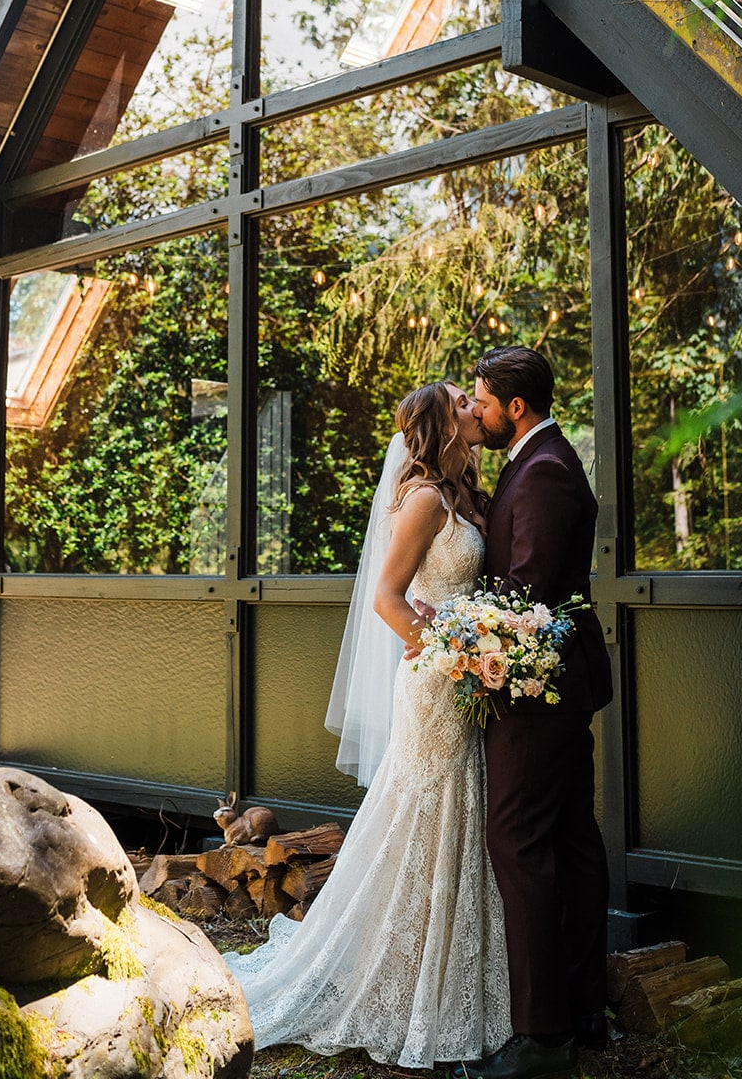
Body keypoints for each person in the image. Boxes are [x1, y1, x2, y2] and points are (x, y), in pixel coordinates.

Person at [224, 381, 512, 1069]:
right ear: (443, 425)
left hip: (460, 682)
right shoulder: (420, 499)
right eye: (463, 405)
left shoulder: (456, 493)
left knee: (457, 821)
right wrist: (451, 649)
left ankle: (446, 974)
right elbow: (388, 598)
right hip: (437, 685)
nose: (475, 411)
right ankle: (404, 978)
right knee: (424, 820)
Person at [463, 345, 613, 1079]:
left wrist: (465, 647)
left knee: (518, 843)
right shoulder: (534, 462)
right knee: (570, 840)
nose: (477, 412)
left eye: (482, 401)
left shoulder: (545, 471)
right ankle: (585, 1010)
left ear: (513, 408)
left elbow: (524, 599)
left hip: (536, 687)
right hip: (550, 683)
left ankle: (542, 1039)